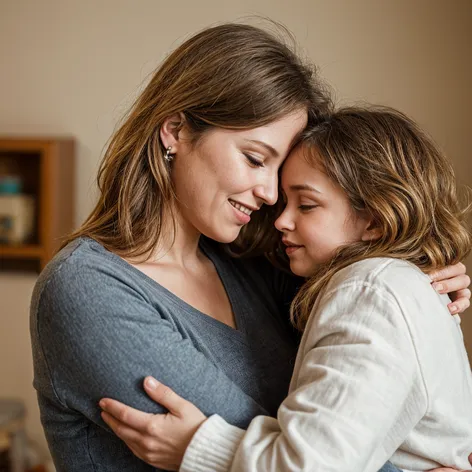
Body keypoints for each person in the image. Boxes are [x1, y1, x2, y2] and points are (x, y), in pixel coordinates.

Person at [30, 23, 470, 472]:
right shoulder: (86, 292)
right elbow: (301, 462)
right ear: (176, 131)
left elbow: (352, 414)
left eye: (278, 172)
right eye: (256, 159)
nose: (269, 193)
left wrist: (412, 281)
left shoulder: (260, 267)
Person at [99, 107, 472, 472]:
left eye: (306, 205)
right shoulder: (377, 285)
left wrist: (198, 447)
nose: (280, 219)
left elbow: (312, 465)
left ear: (373, 220)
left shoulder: (370, 291)